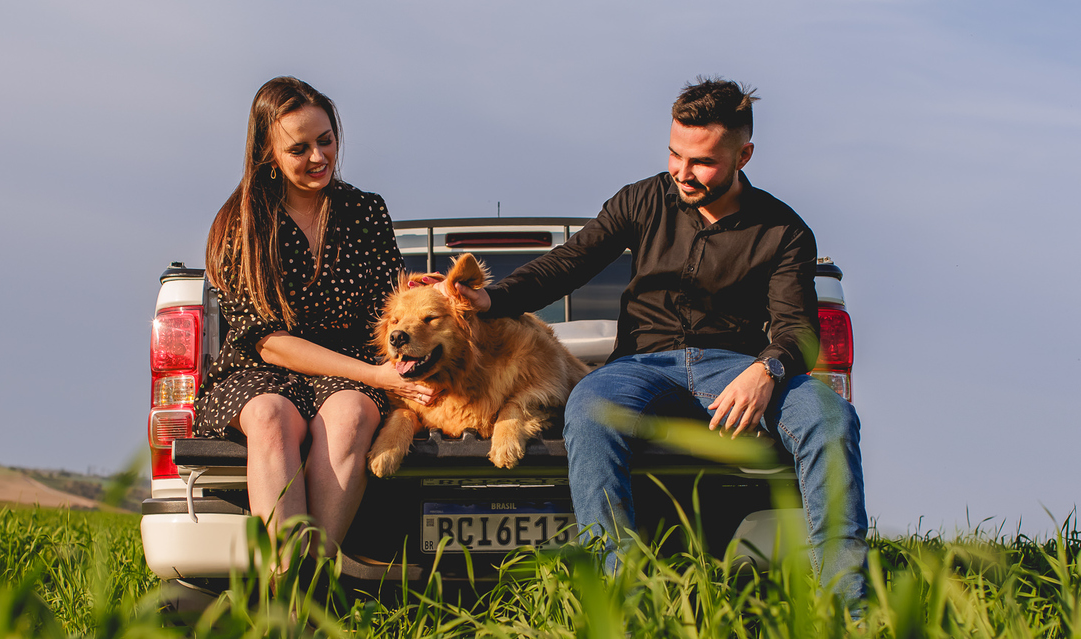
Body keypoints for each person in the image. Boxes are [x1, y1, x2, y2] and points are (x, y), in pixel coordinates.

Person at [440, 78, 867, 610]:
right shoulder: (642, 200)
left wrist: (767, 370)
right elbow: (569, 263)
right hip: (640, 368)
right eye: (674, 154)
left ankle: (848, 613)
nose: (682, 172)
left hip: (734, 368)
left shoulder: (784, 231)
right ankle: (621, 605)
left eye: (702, 162)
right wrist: (494, 298)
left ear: (743, 156)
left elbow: (797, 330)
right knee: (589, 407)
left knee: (830, 415)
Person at [194, 77, 435, 570]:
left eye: (326, 140)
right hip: (261, 369)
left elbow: (385, 304)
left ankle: (306, 589)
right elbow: (267, 343)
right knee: (271, 417)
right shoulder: (241, 223)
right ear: (268, 152)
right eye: (299, 148)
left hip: (348, 367)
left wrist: (416, 293)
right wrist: (376, 376)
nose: (319, 157)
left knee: (352, 415)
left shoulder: (366, 210)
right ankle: (285, 587)